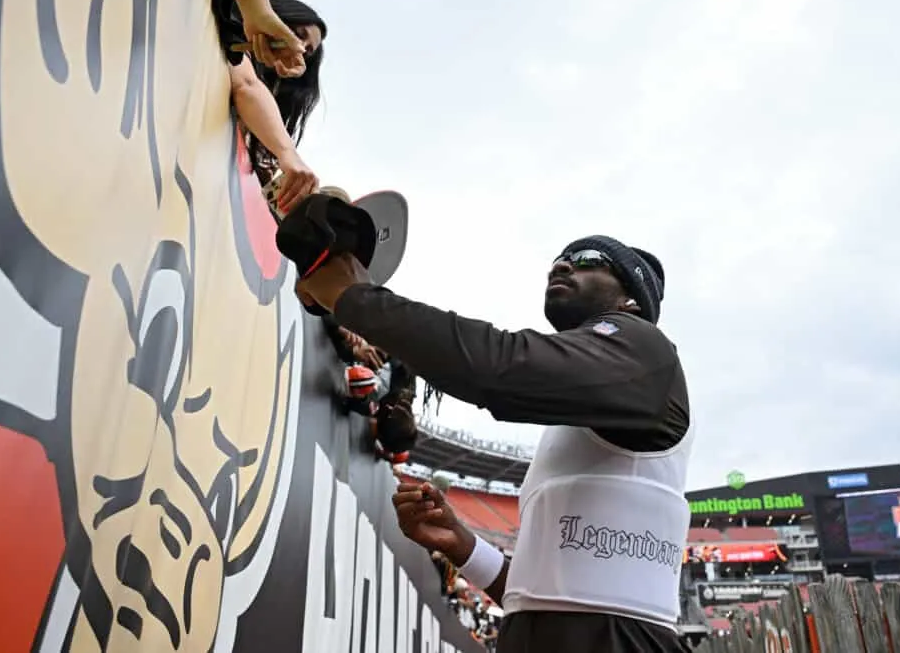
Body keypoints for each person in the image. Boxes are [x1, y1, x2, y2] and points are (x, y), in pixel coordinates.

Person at [294, 235, 691, 652]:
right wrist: (463, 545)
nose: (561, 266)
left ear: (631, 298)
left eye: (588, 260)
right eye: (558, 259)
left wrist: (355, 298)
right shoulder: (595, 418)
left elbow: (498, 367)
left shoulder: (646, 350)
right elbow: (552, 600)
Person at [213, 0, 327, 212]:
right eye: (299, 34)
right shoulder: (220, 24)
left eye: (308, 50)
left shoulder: (262, 144)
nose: (301, 48)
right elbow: (246, 84)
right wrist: (288, 154)